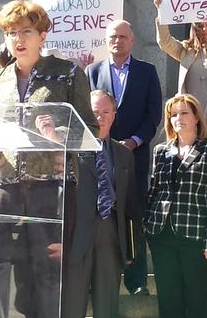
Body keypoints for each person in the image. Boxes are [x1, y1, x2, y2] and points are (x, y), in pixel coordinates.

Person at [0, 0, 98, 318]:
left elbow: (90, 128)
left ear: (42, 35)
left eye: (25, 31)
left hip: (51, 187)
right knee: (1, 268)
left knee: (46, 272)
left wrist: (60, 134)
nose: (18, 39)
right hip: (4, 184)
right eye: (11, 33)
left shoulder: (66, 73)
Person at [85, 19, 162, 295]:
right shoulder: (92, 71)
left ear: (132, 41)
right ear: (106, 41)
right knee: (99, 218)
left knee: (133, 217)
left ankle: (136, 280)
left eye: (123, 37)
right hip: (98, 160)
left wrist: (132, 142)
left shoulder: (147, 71)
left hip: (133, 159)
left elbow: (154, 115)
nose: (117, 41)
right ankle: (97, 278)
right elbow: (85, 113)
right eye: (112, 37)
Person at [61, 90, 143, 318]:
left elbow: (130, 206)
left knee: (107, 306)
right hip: (75, 237)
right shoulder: (70, 150)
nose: (101, 117)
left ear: (114, 114)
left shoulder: (124, 154)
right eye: (95, 112)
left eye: (106, 111)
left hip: (110, 235)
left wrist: (130, 247)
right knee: (71, 304)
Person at [144, 94, 207, 318]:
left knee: (198, 303)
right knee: (169, 303)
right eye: (173, 115)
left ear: (196, 118)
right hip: (162, 236)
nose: (178, 118)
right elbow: (154, 190)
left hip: (197, 238)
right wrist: (146, 226)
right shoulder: (161, 151)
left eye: (184, 113)